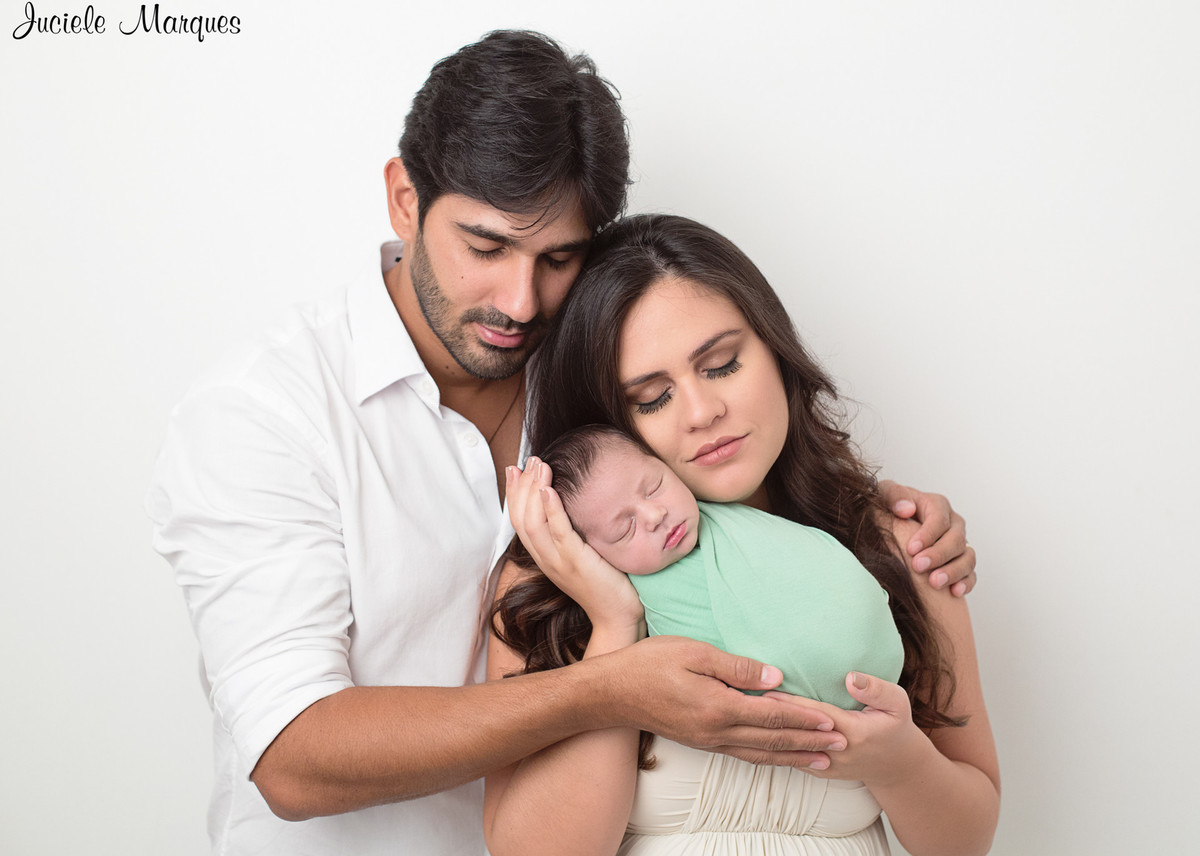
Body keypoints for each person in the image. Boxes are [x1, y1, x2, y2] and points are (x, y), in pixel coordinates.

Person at [147, 30, 978, 856]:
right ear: (404, 198)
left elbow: (726, 461)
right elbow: (292, 757)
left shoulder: (597, 375)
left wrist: (869, 514)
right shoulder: (262, 415)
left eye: (558, 257)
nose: (519, 300)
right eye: (485, 247)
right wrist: (607, 688)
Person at [489, 214, 1000, 856]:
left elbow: (968, 840)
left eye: (723, 364)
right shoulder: (544, 587)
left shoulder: (900, 546)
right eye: (652, 398)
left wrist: (900, 762)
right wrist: (615, 630)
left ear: (775, 351)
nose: (703, 413)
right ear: (607, 426)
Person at [526, 422, 904, 710]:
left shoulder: (723, 511)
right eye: (624, 529)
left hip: (879, 652)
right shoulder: (643, 607)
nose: (655, 515)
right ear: (590, 555)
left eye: (655, 486)